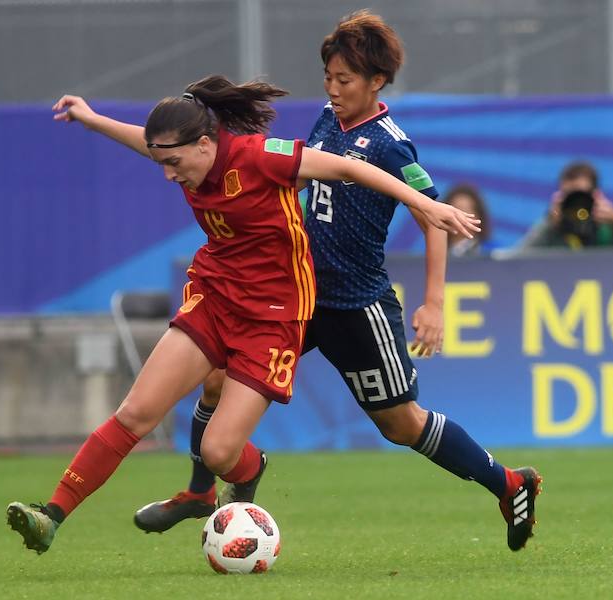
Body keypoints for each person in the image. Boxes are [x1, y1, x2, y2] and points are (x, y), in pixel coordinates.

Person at [6, 74, 480, 555]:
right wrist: (91, 120)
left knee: (219, 450)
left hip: (274, 317)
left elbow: (350, 170)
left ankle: (247, 471)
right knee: (136, 413)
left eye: (173, 163)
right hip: (216, 297)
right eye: (162, 161)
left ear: (206, 145)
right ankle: (51, 516)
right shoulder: (184, 155)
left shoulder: (261, 156)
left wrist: (424, 205)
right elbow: (147, 145)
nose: (168, 174)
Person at [132, 10, 542, 553]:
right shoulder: (328, 119)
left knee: (400, 424)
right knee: (215, 373)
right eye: (328, 77)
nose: (333, 88)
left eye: (344, 80)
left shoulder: (393, 145)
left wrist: (434, 303)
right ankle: (199, 493)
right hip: (291, 297)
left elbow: (432, 215)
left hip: (356, 305)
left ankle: (510, 483)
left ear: (376, 82)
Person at [518, 160, 613, 249]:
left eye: (581, 195)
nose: (577, 203)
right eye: (569, 195)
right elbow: (518, 262)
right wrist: (549, 222)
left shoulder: (609, 228)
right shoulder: (552, 226)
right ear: (560, 197)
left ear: (596, 195)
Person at [442, 183, 496, 257]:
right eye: (457, 209)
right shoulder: (436, 252)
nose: (462, 216)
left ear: (478, 216)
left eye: (467, 210)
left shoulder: (492, 253)